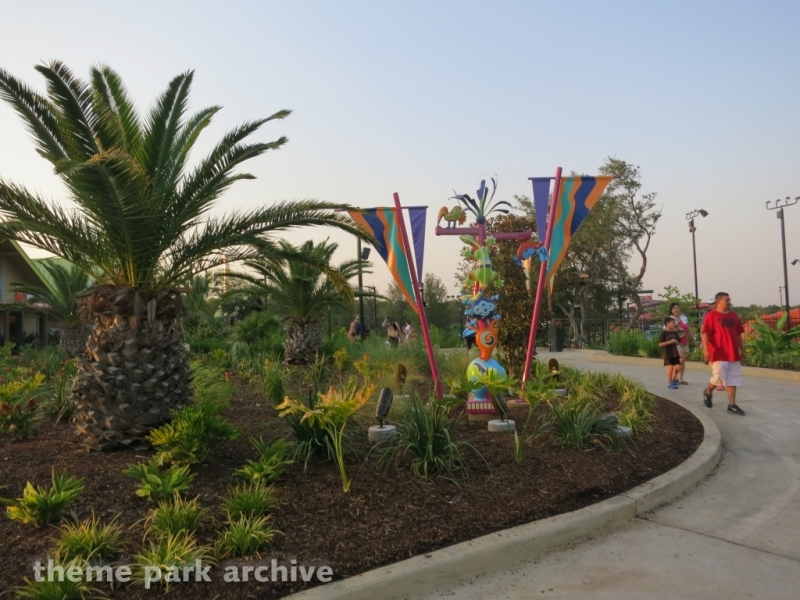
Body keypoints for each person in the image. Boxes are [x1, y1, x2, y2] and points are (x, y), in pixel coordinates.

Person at [701, 291, 746, 415]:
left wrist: (742, 350)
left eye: (729, 299)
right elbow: (705, 333)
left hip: (733, 352)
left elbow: (738, 334)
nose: (729, 302)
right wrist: (706, 350)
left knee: (733, 379)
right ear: (719, 301)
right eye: (726, 300)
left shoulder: (733, 315)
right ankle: (708, 392)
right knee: (718, 378)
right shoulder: (712, 315)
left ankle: (732, 405)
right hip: (718, 352)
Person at [669, 303, 690, 384]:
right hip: (676, 342)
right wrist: (676, 328)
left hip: (684, 341)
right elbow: (667, 331)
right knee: (679, 360)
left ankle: (680, 379)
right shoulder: (670, 319)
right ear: (671, 310)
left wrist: (693, 339)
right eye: (674, 308)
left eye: (677, 308)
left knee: (683, 361)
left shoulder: (684, 318)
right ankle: (674, 377)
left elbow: (688, 329)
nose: (676, 310)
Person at [659, 317, 682, 389]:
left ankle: (674, 377)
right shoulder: (664, 333)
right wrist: (670, 342)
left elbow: (678, 342)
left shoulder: (675, 333)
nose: (674, 324)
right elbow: (660, 344)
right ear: (667, 323)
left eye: (675, 323)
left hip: (675, 352)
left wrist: (676, 342)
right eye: (673, 323)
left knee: (678, 367)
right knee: (671, 367)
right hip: (668, 353)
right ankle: (670, 383)